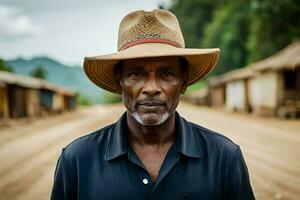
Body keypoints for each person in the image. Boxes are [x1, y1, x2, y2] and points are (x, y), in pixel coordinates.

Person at [51, 9, 255, 200]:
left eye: (166, 74)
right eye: (136, 74)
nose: (151, 88)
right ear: (119, 81)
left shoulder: (224, 158)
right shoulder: (77, 161)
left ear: (184, 81)